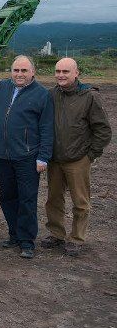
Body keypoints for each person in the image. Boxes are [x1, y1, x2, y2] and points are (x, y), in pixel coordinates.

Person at [41, 57, 111, 256]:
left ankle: (77, 238)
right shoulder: (51, 95)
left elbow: (103, 130)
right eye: (58, 71)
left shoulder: (89, 97)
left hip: (78, 159)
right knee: (53, 199)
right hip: (55, 159)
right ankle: (56, 233)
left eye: (65, 72)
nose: (61, 75)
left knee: (80, 202)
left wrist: (91, 155)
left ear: (76, 73)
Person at [0, 55, 54, 259]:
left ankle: (27, 241)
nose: (19, 74)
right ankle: (14, 234)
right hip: (2, 155)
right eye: (16, 70)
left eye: (24, 71)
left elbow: (47, 128)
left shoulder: (42, 94)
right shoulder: (2, 87)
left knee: (27, 199)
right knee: (7, 197)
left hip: (27, 157)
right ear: (11, 71)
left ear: (33, 72)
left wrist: (43, 157)